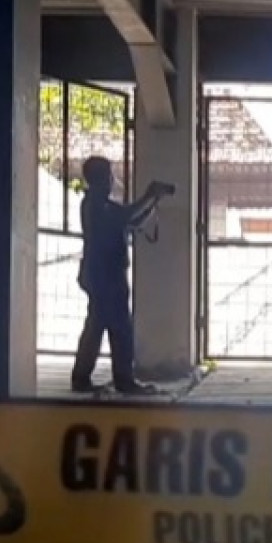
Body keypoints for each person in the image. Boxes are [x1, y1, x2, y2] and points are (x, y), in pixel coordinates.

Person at [71, 156, 171, 395]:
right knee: (120, 330)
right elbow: (125, 216)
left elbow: (131, 220)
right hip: (106, 277)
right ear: (100, 179)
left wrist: (152, 201)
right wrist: (148, 196)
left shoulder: (99, 205)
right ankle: (122, 380)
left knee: (97, 327)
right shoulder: (96, 205)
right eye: (109, 175)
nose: (112, 180)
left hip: (103, 275)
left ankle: (83, 377)